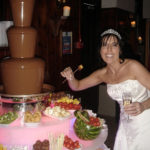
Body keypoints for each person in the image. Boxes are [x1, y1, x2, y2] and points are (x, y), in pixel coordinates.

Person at [60, 28, 150, 150]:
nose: (109, 49)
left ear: (120, 49)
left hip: (145, 119)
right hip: (125, 121)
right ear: (100, 50)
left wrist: (143, 105)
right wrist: (70, 77)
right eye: (104, 45)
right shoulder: (102, 74)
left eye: (114, 45)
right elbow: (77, 86)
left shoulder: (133, 66)